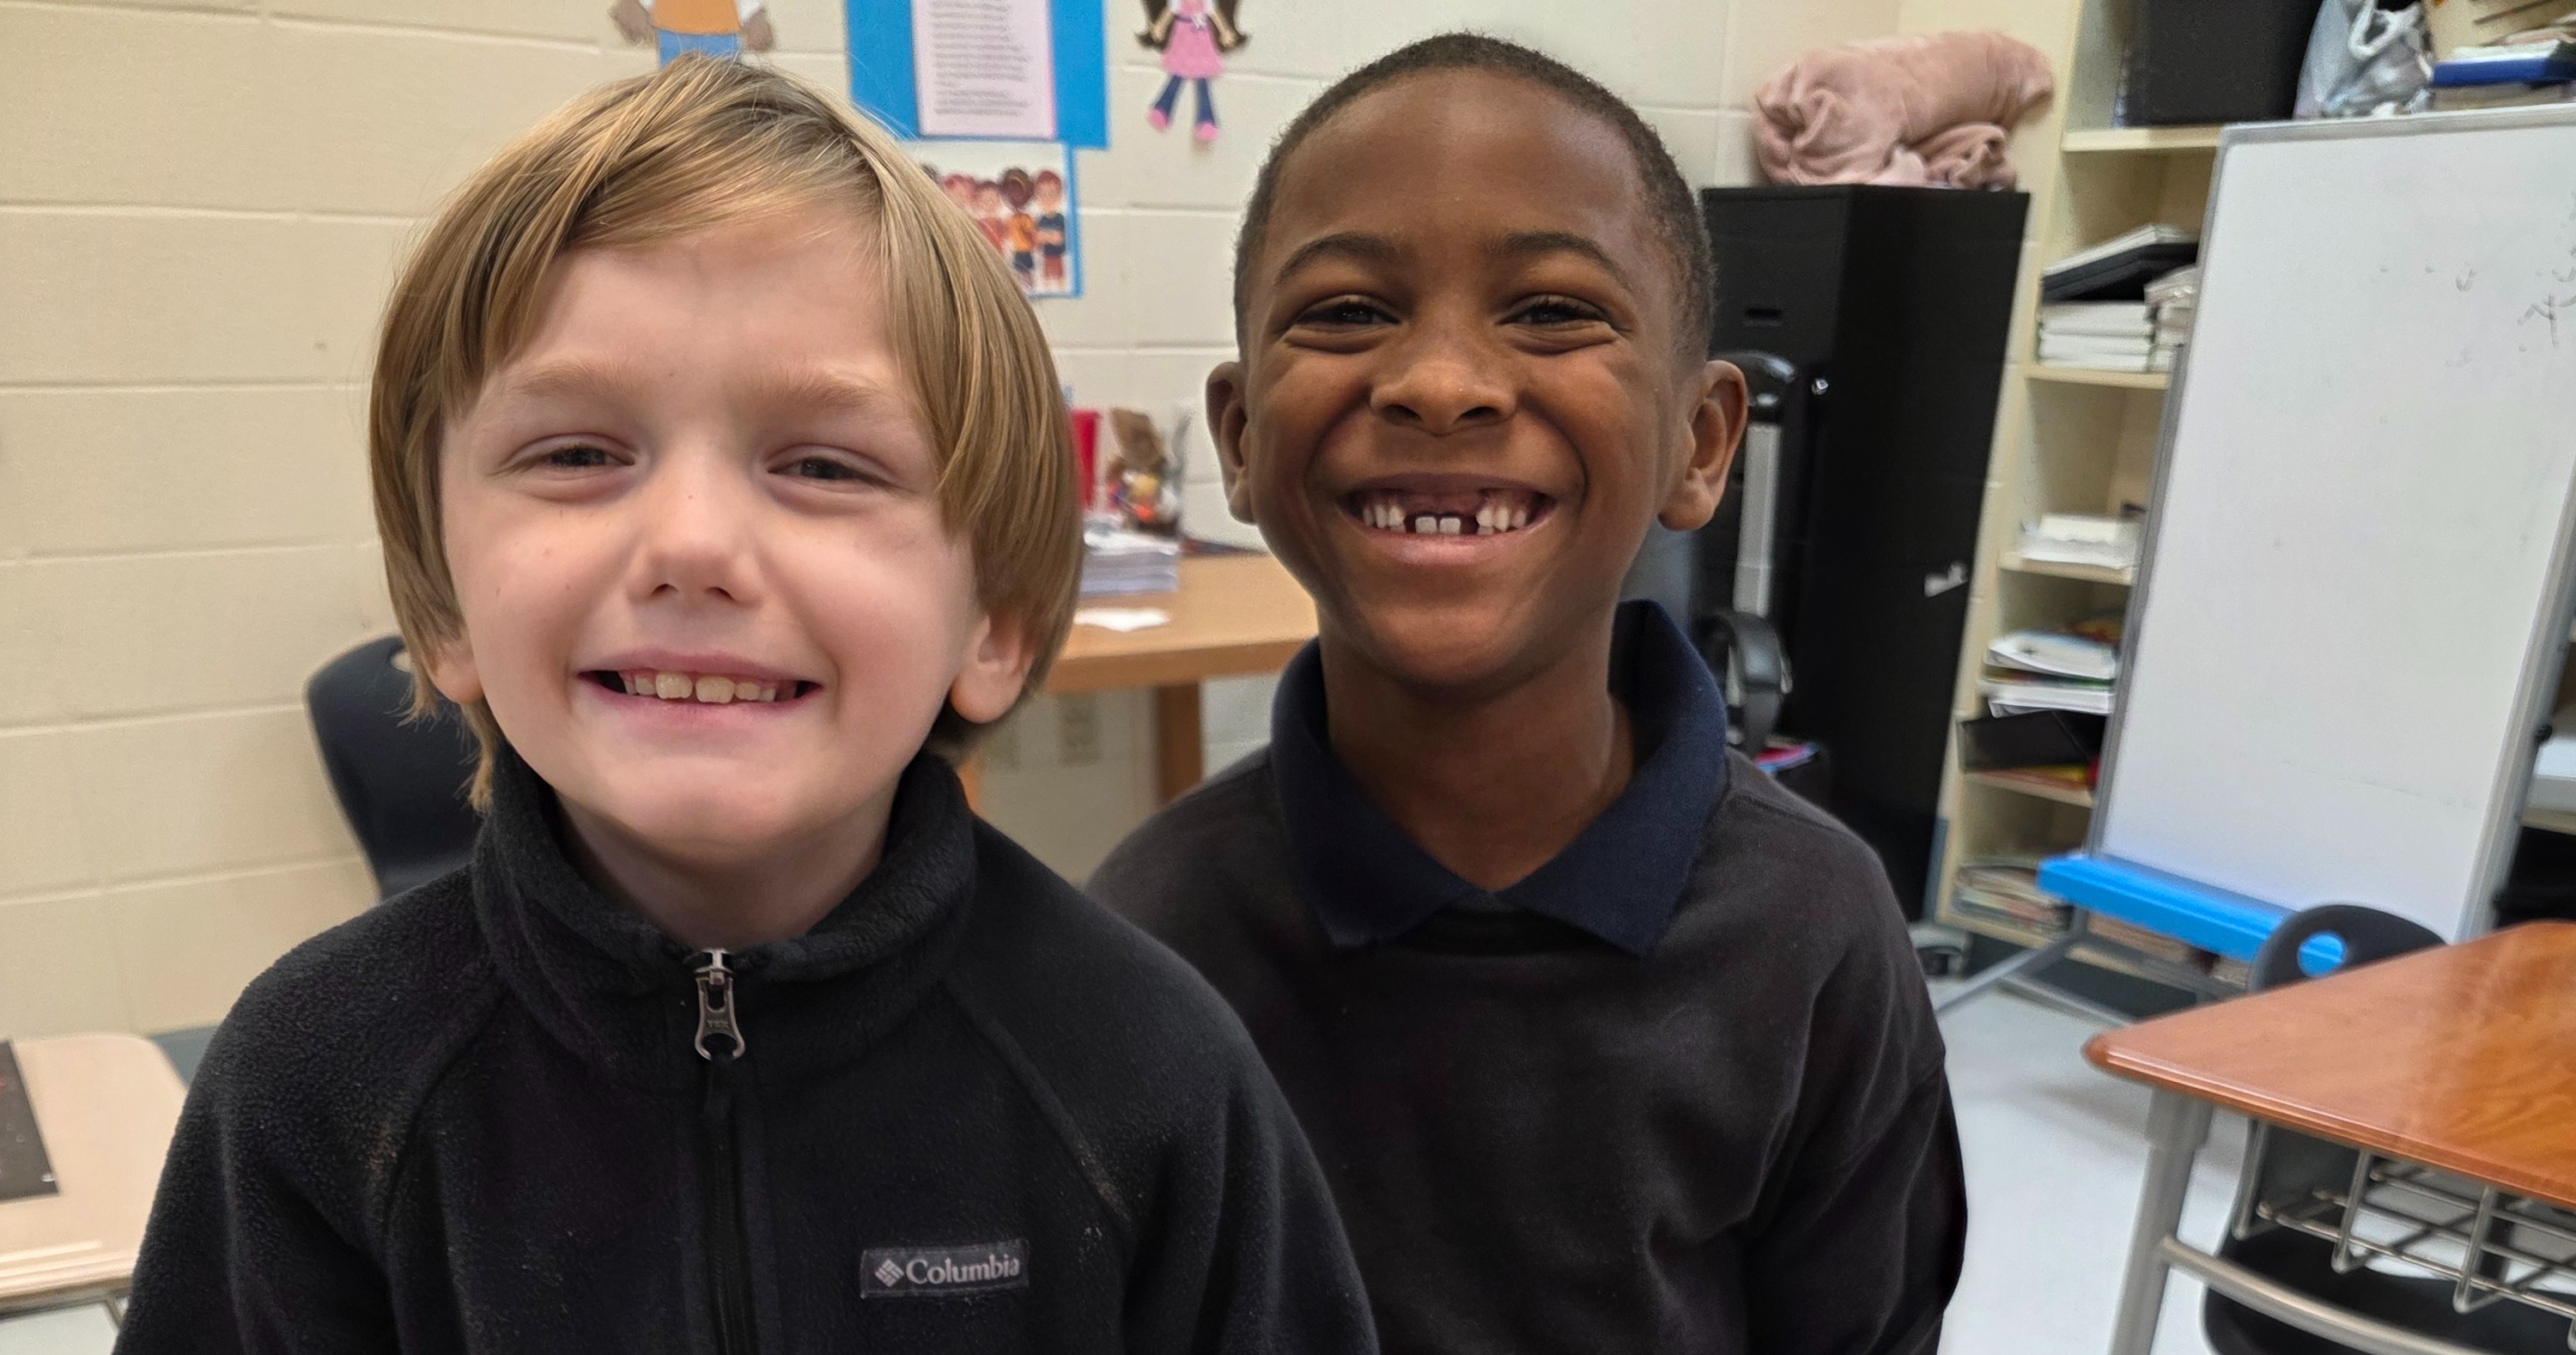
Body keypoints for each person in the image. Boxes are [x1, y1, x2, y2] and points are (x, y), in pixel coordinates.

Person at [114, 58, 1372, 1353]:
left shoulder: (1149, 1075)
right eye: (577, 452)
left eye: (824, 465)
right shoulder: (313, 1089)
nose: (693, 544)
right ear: (443, 601)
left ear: (991, 620)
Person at [1090, 33, 1967, 1355]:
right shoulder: (1148, 941)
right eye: (1347, 310)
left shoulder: (1821, 936)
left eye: (1554, 309)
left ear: (1700, 442)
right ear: (1241, 438)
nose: (1441, 384)